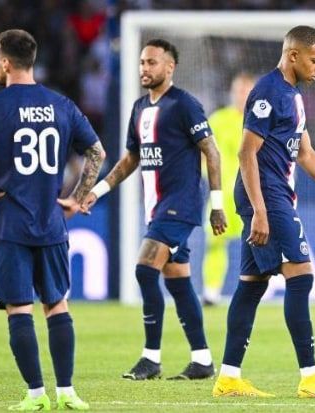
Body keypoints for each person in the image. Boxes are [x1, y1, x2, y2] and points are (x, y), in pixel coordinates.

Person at [212, 26, 315, 398]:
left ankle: (229, 377)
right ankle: (310, 376)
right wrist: (260, 211)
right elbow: (246, 153)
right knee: (301, 276)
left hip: (271, 197)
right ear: (293, 55)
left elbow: (306, 153)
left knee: (252, 284)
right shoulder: (269, 92)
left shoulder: (293, 96)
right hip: (267, 198)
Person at [0, 29, 105, 411]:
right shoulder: (60, 104)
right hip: (51, 223)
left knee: (19, 310)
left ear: (6, 63)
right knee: (57, 306)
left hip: (8, 224)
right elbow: (96, 152)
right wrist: (77, 198)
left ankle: (35, 396)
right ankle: (67, 393)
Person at [82, 38, 227, 380]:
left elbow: (212, 151)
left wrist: (217, 204)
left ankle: (151, 358)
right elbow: (130, 159)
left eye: (152, 62)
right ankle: (203, 361)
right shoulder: (139, 108)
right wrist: (98, 190)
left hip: (181, 204)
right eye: (142, 62)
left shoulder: (185, 105)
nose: (144, 68)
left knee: (145, 270)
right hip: (157, 208)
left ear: (170, 67)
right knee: (178, 282)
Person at [202, 72, 255, 305]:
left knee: (258, 242)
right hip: (222, 195)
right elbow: (203, 151)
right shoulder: (218, 119)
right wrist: (208, 177)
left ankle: (257, 288)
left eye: (246, 91)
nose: (242, 95)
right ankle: (211, 292)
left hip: (251, 194)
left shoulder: (259, 121)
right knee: (215, 242)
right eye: (239, 91)